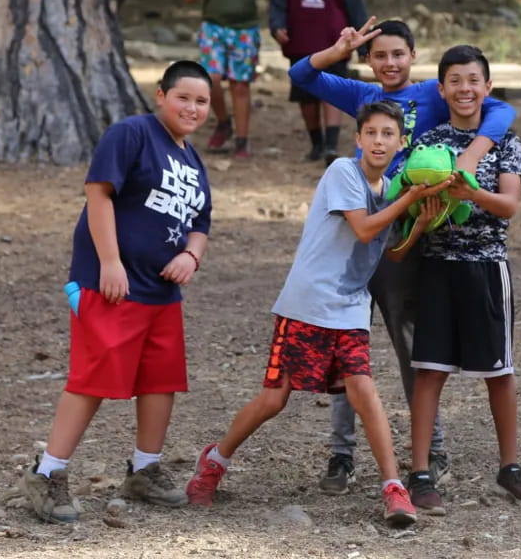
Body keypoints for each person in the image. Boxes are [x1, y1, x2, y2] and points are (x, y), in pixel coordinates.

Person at [184, 98, 451, 528]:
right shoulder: (343, 173)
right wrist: (413, 197)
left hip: (349, 308)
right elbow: (365, 229)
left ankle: (393, 489)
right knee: (275, 399)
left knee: (364, 390)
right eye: (372, 133)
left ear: (401, 144)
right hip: (308, 303)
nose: (379, 142)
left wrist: (420, 222)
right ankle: (214, 460)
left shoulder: (392, 190)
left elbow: (393, 254)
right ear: (358, 139)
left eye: (388, 135)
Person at [288, 18, 518, 494]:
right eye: (379, 56)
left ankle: (431, 450)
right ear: (369, 62)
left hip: (406, 235)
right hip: (355, 233)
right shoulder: (361, 99)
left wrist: (473, 154)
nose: (389, 63)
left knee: (411, 344)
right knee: (344, 343)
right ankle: (341, 454)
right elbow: (301, 77)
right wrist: (337, 49)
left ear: (413, 56)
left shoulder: (434, 95)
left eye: (398, 54)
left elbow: (502, 110)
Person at [20, 61, 214, 524]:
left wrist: (191, 256)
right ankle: (47, 472)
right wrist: (110, 262)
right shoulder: (131, 134)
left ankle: (144, 468)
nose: (192, 107)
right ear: (161, 96)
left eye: (202, 101)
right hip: (114, 286)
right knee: (93, 379)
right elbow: (99, 193)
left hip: (161, 293)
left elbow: (200, 224)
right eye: (183, 97)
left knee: (159, 381)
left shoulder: (190, 158)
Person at [394, 44, 521, 516]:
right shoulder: (429, 143)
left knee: (498, 372)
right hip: (437, 267)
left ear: (487, 88)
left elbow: (509, 205)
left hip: (486, 267)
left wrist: (470, 191)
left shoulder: (506, 142)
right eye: (454, 81)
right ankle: (420, 473)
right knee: (430, 370)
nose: (464, 88)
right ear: (441, 89)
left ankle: (510, 468)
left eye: (472, 80)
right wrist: (425, 201)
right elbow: (410, 199)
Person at [269, 0, 368, 163]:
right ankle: (316, 144)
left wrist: (363, 44)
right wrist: (277, 26)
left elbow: (356, 7)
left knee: (331, 93)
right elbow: (278, 3)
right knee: (306, 97)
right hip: (301, 45)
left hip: (335, 45)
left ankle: (331, 147)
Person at [184, 0, 275, 159]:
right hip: (213, 28)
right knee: (210, 79)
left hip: (245, 30)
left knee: (240, 85)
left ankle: (242, 140)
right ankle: (223, 122)